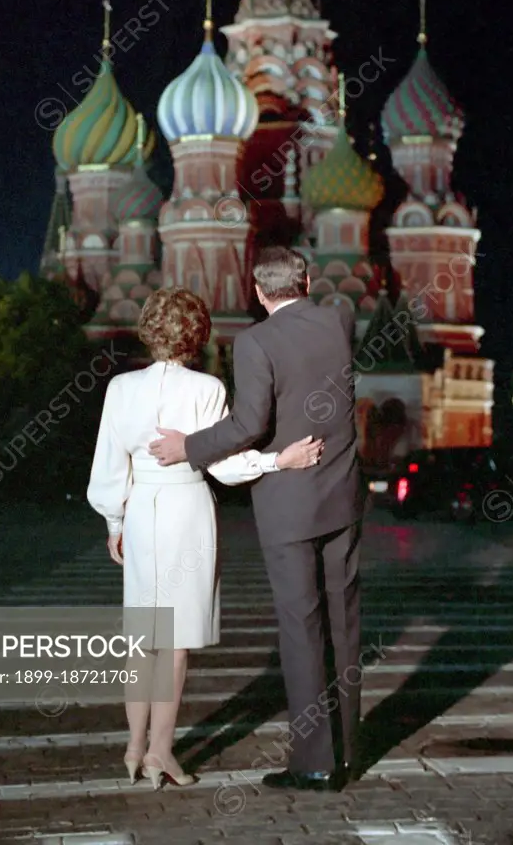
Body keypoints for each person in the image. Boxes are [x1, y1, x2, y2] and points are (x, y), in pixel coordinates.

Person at [87, 287, 324, 791]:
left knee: (143, 639)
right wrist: (278, 460)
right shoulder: (207, 387)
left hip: (140, 511)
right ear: (197, 335)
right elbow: (225, 463)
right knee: (171, 645)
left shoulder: (121, 388)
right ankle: (160, 754)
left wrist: (114, 524)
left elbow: (109, 466)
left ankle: (132, 748)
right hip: (186, 510)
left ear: (148, 329)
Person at [149, 246, 363, 792]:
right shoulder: (340, 319)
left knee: (301, 630)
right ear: (308, 280)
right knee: (343, 623)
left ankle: (314, 763)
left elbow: (249, 422)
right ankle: (348, 753)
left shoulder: (255, 341)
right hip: (341, 494)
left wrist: (188, 447)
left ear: (259, 292)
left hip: (289, 501)